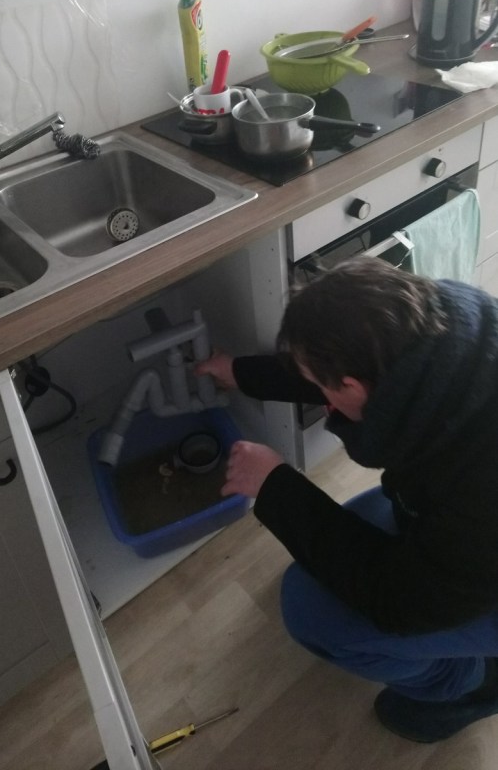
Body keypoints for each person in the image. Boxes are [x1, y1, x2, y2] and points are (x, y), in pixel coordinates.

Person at [196, 256, 498, 744]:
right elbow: (335, 368)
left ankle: (472, 683)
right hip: (458, 532)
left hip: (475, 574)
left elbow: (400, 601)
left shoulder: (484, 483)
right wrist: (240, 372)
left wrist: (275, 487)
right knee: (324, 561)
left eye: (324, 390)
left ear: (353, 388)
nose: (322, 400)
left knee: (309, 609)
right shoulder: (446, 328)